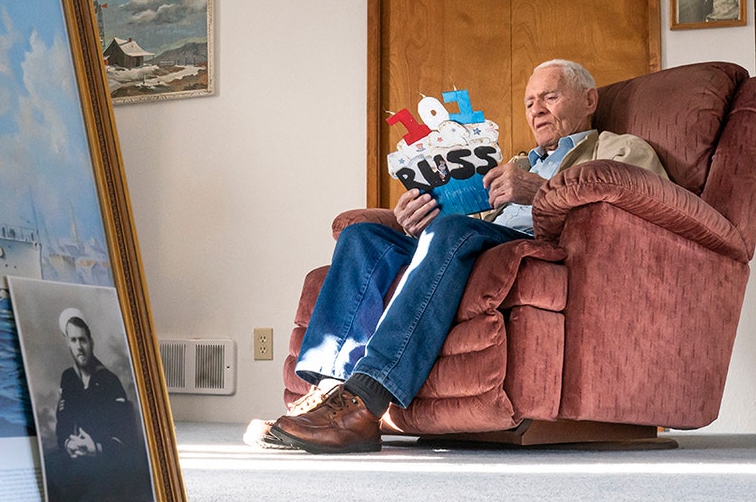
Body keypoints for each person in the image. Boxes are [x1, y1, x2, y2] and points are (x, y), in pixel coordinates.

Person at [257, 59, 667, 454]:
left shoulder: (619, 149)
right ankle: (327, 393)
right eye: (530, 103)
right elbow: (468, 220)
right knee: (364, 236)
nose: (537, 110)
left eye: (550, 98)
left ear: (589, 100)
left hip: (532, 245)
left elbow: (634, 205)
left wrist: (538, 191)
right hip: (471, 238)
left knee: (451, 231)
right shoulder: (517, 162)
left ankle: (366, 400)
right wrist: (413, 219)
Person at [43, 308, 148, 502]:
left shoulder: (109, 381)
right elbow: (63, 421)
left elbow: (127, 438)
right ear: (68, 343)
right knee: (47, 471)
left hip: (106, 459)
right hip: (75, 455)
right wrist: (67, 444)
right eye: (73, 340)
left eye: (82, 340)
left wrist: (97, 447)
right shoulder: (68, 378)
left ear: (91, 343)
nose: (79, 347)